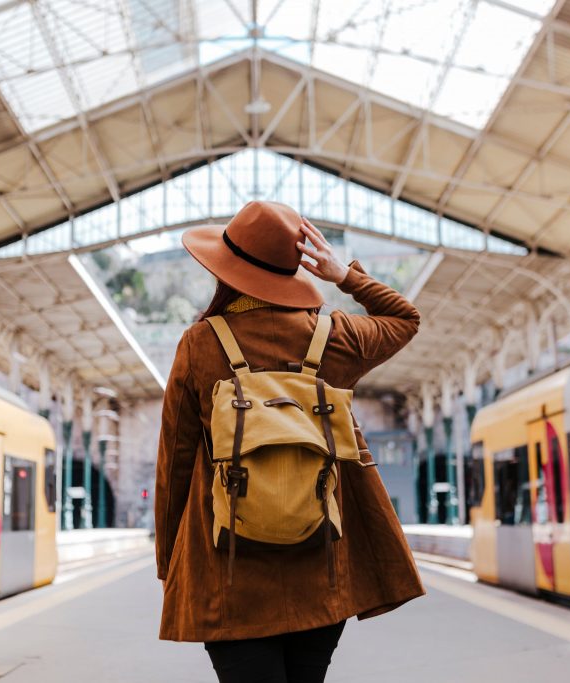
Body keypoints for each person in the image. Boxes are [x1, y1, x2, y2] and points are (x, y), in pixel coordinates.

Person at [155, 200, 425, 683]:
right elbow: (405, 319)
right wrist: (344, 275)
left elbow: (174, 461)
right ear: (293, 268)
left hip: (227, 573)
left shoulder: (200, 344)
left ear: (225, 270)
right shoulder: (336, 337)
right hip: (320, 570)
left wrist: (170, 565)